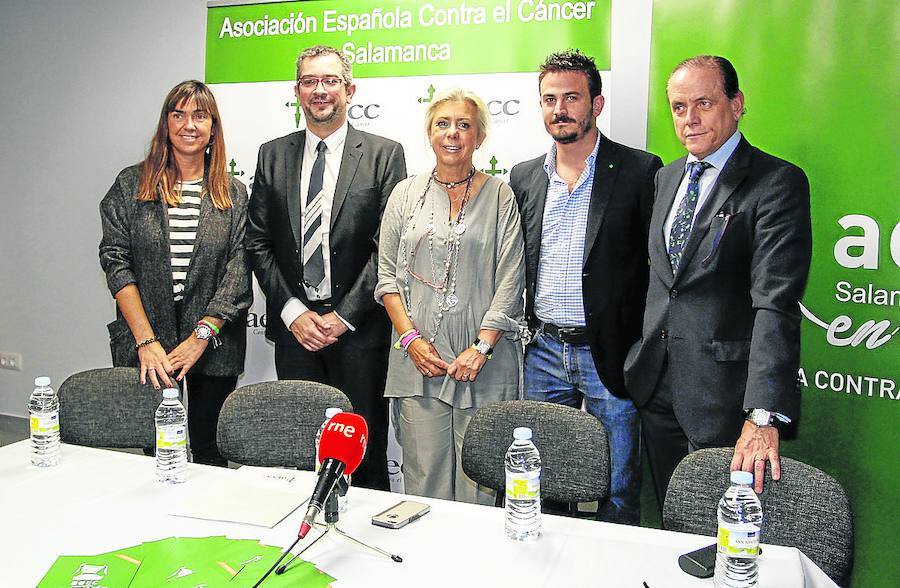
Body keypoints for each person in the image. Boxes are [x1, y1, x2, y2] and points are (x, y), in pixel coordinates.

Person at [624, 55, 812, 506]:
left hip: (727, 399)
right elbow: (667, 283)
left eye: (703, 103)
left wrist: (762, 415)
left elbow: (776, 303)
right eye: (678, 107)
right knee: (674, 520)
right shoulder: (666, 179)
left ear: (737, 104)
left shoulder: (776, 182)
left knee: (724, 532)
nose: (689, 119)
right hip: (657, 388)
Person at [510, 50, 663, 524]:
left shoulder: (640, 171)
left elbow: (657, 270)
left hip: (612, 355)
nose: (560, 109)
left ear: (597, 103)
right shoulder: (523, 176)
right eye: (549, 99)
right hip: (544, 352)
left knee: (618, 488)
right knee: (541, 483)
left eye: (572, 97)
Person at [245, 46, 406, 491]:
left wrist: (344, 316)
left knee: (365, 454)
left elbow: (386, 248)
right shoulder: (272, 155)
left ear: (349, 90)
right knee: (302, 449)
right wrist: (293, 312)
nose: (320, 90)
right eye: (310, 81)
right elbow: (257, 242)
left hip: (359, 332)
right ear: (297, 91)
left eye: (330, 80)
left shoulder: (383, 155)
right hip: (296, 333)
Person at [376, 88, 525, 504]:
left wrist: (481, 347)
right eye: (443, 124)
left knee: (481, 486)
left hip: (484, 365)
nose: (453, 134)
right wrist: (411, 342)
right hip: (418, 364)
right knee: (424, 482)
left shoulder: (500, 195)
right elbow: (387, 277)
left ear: (479, 137)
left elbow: (511, 280)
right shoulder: (404, 195)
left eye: (464, 124)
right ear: (429, 133)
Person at [99, 80, 252, 466]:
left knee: (209, 452)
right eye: (178, 114)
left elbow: (239, 268)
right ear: (165, 124)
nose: (189, 124)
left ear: (213, 128)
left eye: (200, 116)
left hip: (212, 344)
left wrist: (202, 335)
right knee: (156, 454)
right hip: (148, 344)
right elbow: (116, 261)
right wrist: (146, 341)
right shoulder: (131, 186)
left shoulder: (232, 194)